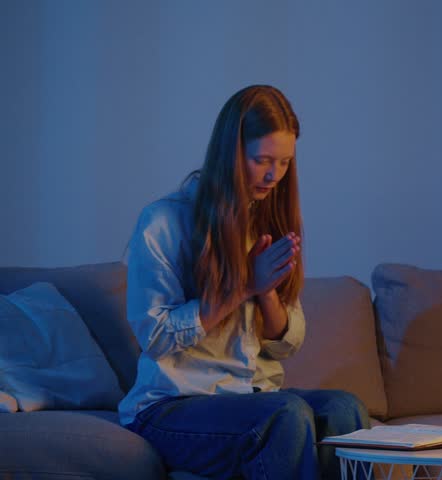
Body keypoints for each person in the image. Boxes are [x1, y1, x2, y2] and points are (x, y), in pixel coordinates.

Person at [118, 85, 370, 480]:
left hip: (253, 396)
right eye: (262, 160)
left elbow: (287, 342)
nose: (274, 175)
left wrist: (265, 290)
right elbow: (155, 335)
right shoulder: (163, 222)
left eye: (285, 162)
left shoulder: (267, 222)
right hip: (170, 406)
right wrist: (241, 287)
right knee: (284, 416)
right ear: (231, 154)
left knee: (345, 409)